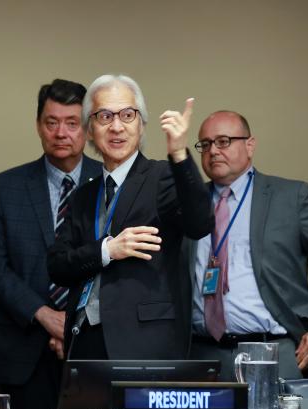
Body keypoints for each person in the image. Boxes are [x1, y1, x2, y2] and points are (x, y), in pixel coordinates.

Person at [47, 74, 213, 361]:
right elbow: (58, 266)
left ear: (141, 123)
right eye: (104, 116)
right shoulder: (84, 195)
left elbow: (200, 224)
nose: (116, 127)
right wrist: (107, 250)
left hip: (145, 342)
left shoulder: (162, 176)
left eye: (127, 115)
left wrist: (179, 154)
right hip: (85, 340)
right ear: (89, 130)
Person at [187, 110, 308, 380]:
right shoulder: (189, 204)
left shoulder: (290, 197)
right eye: (205, 144)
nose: (213, 151)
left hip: (276, 352)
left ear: (250, 145)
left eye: (223, 141)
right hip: (202, 355)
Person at [0, 79, 102, 409]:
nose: (61, 132)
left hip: (92, 349)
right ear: (38, 126)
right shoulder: (5, 187)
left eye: (72, 123)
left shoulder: (110, 184)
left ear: (88, 129)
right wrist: (46, 317)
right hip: (23, 347)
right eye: (51, 122)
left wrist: (74, 324)